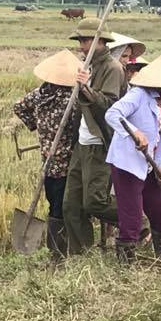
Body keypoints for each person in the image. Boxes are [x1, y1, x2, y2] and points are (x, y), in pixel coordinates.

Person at [103, 52, 161, 264]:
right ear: (159, 84)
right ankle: (126, 266)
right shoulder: (138, 96)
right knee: (131, 217)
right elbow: (112, 114)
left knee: (160, 210)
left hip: (149, 165)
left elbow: (160, 140)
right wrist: (135, 132)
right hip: (127, 164)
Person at [12, 49, 82, 258]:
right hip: (67, 161)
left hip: (48, 160)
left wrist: (38, 129)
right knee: (64, 206)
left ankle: (57, 250)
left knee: (54, 204)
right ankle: (59, 251)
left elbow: (19, 107)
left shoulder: (39, 94)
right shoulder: (72, 99)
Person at [64, 18, 125, 255]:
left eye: (86, 40)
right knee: (71, 205)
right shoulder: (86, 66)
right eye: (80, 40)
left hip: (100, 142)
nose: (82, 45)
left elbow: (109, 106)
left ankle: (138, 222)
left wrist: (87, 88)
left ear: (100, 41)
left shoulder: (112, 68)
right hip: (82, 141)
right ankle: (82, 253)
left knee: (95, 201)